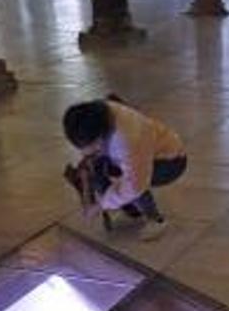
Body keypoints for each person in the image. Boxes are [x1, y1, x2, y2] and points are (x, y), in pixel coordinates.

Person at [62, 96, 188, 241]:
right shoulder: (99, 112)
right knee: (98, 165)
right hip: (146, 150)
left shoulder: (129, 141)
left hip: (170, 161)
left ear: (100, 138)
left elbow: (134, 185)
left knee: (131, 182)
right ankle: (130, 207)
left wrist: (100, 205)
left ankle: (156, 220)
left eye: (91, 145)